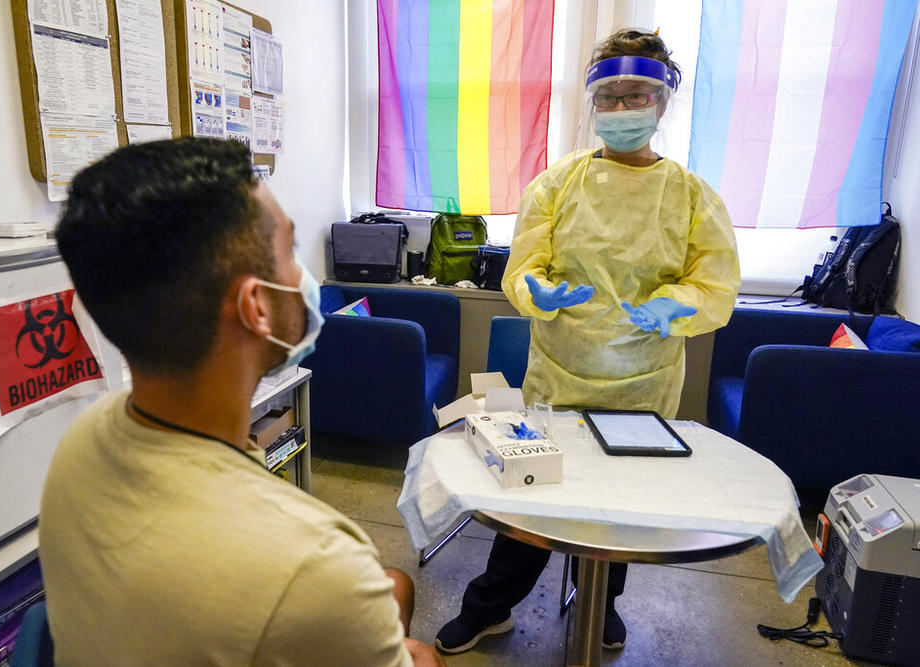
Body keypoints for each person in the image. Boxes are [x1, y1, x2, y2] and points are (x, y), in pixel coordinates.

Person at [40, 138, 444, 666]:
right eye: (290, 253)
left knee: (394, 586)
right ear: (255, 307)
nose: (303, 279)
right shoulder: (315, 562)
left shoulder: (82, 441)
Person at [435, 29, 741, 654]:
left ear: (663, 102)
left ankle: (600, 601)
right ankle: (489, 605)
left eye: (639, 96)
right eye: (612, 96)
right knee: (532, 496)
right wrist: (536, 292)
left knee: (617, 504)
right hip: (559, 372)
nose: (624, 109)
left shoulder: (690, 196)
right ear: (593, 102)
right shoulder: (556, 185)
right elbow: (523, 269)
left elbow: (714, 286)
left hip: (644, 379)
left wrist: (672, 306)